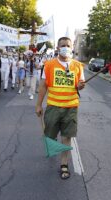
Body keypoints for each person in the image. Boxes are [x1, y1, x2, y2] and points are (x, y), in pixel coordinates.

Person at [35, 37, 85, 179]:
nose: (65, 48)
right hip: (53, 107)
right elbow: (43, 86)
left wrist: (81, 86)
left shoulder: (78, 65)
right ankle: (52, 146)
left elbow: (80, 84)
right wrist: (38, 105)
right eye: (62, 45)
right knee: (50, 135)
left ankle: (64, 164)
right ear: (57, 48)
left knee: (66, 136)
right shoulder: (49, 65)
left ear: (71, 47)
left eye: (68, 45)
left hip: (71, 108)